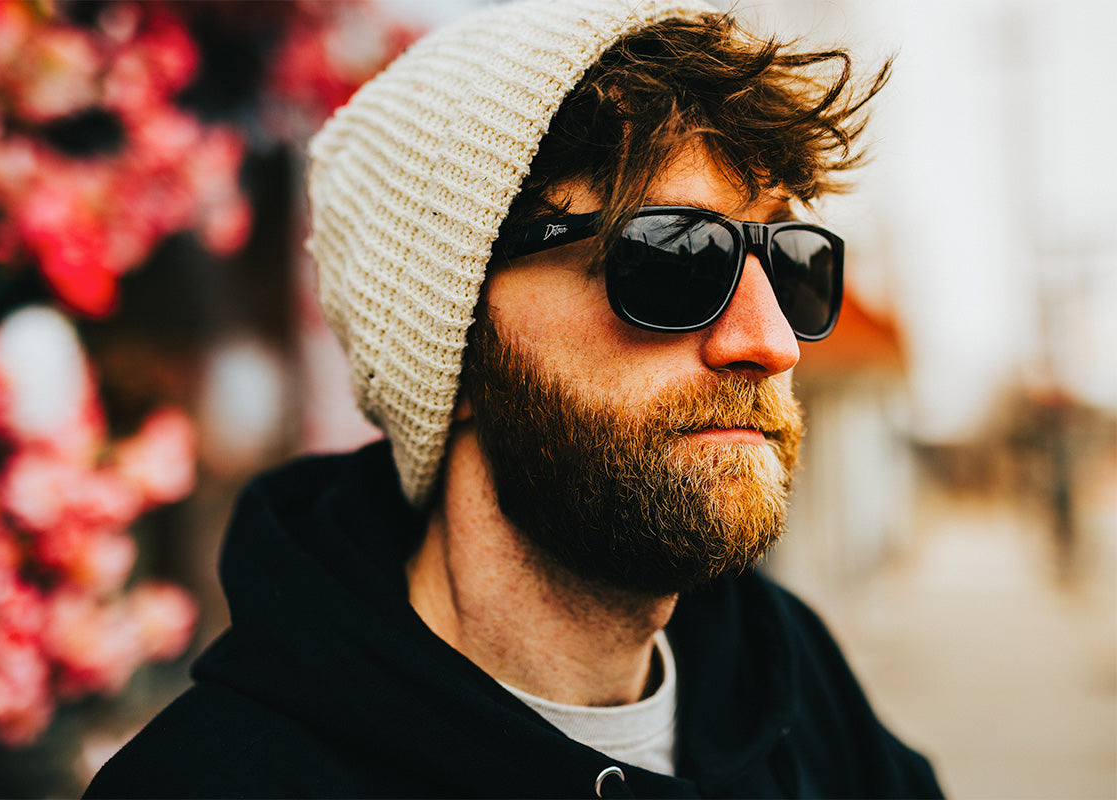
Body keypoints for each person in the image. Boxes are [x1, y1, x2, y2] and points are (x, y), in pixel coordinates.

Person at [86, 0, 943, 797]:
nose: (771, 341)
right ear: (452, 343)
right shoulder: (215, 779)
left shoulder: (789, 677)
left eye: (792, 263)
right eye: (676, 257)